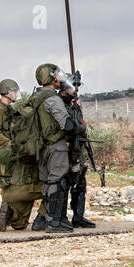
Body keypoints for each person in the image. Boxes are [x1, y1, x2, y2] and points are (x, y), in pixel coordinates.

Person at [0, 79, 47, 232]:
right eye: (14, 92)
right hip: (8, 155)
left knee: (20, 225)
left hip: (14, 154)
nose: (16, 94)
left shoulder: (9, 109)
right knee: (21, 183)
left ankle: (10, 213)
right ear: (7, 92)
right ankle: (10, 202)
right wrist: (10, 144)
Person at [35, 63, 80, 233]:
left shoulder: (36, 97)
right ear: (51, 78)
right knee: (58, 182)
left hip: (42, 147)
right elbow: (66, 125)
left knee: (49, 182)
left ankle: (48, 219)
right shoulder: (52, 99)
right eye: (57, 75)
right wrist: (77, 124)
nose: (59, 78)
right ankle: (54, 222)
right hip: (56, 146)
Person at [58, 73, 95, 228]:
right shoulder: (59, 104)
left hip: (77, 146)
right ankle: (61, 217)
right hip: (65, 147)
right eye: (74, 87)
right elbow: (67, 126)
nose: (75, 90)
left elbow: (80, 125)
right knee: (66, 181)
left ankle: (78, 216)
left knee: (80, 181)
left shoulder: (74, 104)